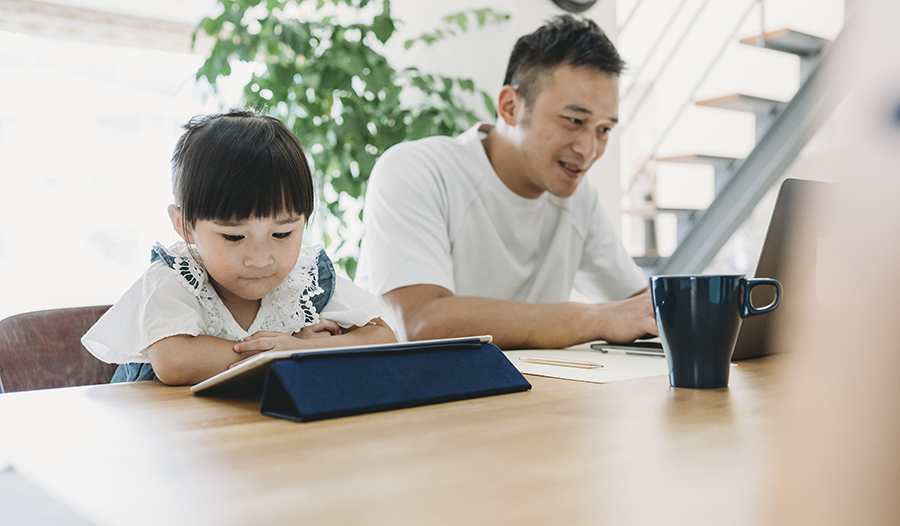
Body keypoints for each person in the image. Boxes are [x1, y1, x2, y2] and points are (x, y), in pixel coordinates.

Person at [355, 15, 657, 349]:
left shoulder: (578, 198)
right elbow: (423, 323)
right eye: (574, 121)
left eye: (604, 130)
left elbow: (641, 310)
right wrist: (597, 318)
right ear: (510, 106)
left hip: (527, 394)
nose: (589, 150)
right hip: (410, 395)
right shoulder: (417, 170)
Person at [83, 110, 396, 386]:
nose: (260, 259)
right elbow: (175, 361)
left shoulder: (306, 278)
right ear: (184, 226)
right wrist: (278, 354)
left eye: (283, 234)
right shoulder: (175, 276)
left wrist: (303, 348)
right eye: (234, 237)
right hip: (175, 438)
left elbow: (383, 339)